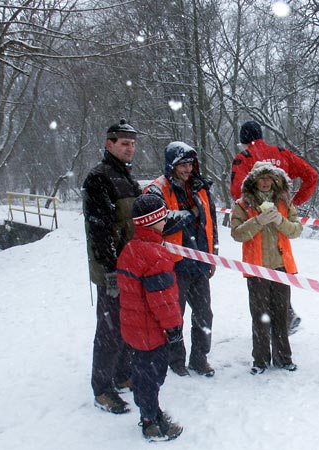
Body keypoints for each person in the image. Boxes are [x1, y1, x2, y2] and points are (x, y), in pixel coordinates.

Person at [230, 120, 318, 334]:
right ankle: (283, 319)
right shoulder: (282, 153)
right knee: (279, 273)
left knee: (261, 279)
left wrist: (256, 211)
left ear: (243, 141)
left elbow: (236, 192)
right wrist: (292, 204)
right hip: (280, 226)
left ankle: (274, 325)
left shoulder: (244, 158)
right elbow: (312, 175)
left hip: (259, 229)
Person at [82, 118, 142, 413]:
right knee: (109, 329)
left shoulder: (128, 178)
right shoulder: (99, 178)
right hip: (112, 268)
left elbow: (137, 221)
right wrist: (110, 269)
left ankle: (122, 374)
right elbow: (100, 228)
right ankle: (102, 388)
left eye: (133, 143)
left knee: (127, 324)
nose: (130, 148)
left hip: (132, 266)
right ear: (110, 144)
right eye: (124, 143)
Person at [145, 141, 218, 377]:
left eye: (190, 164)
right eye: (182, 165)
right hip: (172, 264)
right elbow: (160, 223)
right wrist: (189, 215)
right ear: (171, 165)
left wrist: (212, 255)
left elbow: (211, 223)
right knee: (174, 315)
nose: (187, 169)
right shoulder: (157, 189)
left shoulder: (201, 188)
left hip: (200, 262)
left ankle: (200, 358)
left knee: (204, 314)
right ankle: (176, 360)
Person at [116, 193, 184, 441]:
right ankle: (151, 421)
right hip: (151, 331)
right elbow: (163, 300)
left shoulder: (131, 248)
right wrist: (174, 327)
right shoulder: (155, 255)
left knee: (143, 371)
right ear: (153, 221)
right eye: (162, 218)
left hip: (134, 328)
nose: (165, 221)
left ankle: (149, 409)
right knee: (153, 376)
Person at [231, 162, 303, 374]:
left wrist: (280, 220)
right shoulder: (243, 204)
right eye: (261, 178)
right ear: (254, 180)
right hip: (256, 270)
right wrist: (258, 221)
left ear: (275, 180)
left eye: (268, 178)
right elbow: (237, 233)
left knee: (281, 315)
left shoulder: (284, 202)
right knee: (260, 316)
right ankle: (260, 360)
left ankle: (284, 359)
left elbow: (296, 230)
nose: (264, 182)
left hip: (281, 267)